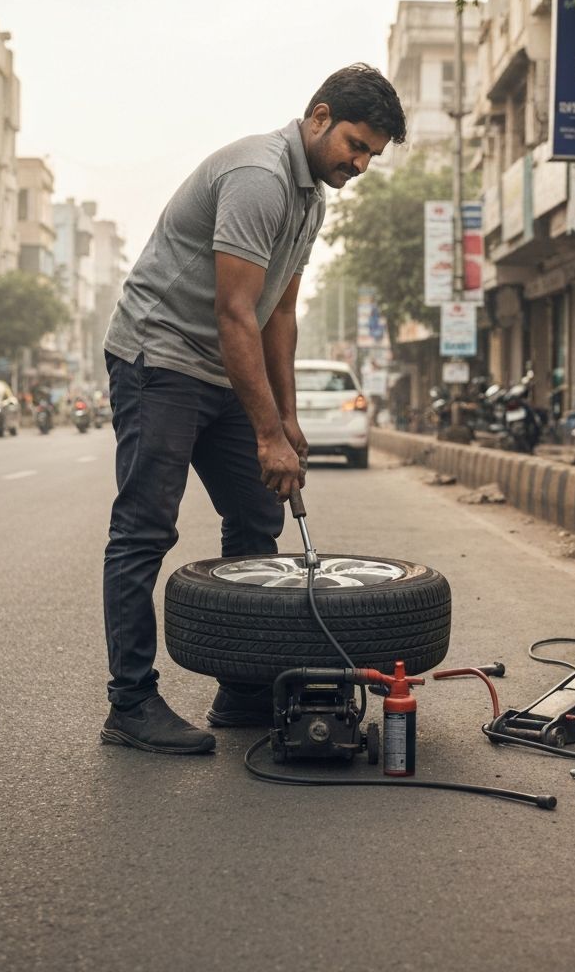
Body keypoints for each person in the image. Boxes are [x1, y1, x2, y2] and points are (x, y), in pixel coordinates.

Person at [99, 63, 407, 754]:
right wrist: (265, 431)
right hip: (161, 357)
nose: (359, 164)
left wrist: (287, 420)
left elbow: (280, 313)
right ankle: (130, 703)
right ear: (319, 116)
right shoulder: (261, 178)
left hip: (219, 365)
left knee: (256, 514)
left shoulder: (312, 198)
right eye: (355, 145)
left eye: (371, 156)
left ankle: (240, 688)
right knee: (145, 528)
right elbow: (234, 311)